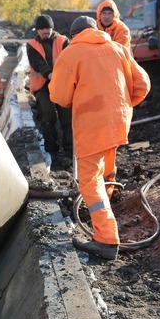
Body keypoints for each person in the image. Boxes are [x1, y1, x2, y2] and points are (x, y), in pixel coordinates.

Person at [49, 16, 151, 260]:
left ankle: (106, 239)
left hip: (92, 126)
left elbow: (59, 96)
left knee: (89, 180)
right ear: (96, 29)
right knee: (106, 168)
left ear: (74, 35)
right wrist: (124, 106)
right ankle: (110, 202)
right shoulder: (117, 48)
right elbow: (143, 84)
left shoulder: (71, 54)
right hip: (118, 123)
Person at [27, 14, 72, 164]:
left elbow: (70, 59)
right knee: (47, 116)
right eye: (42, 29)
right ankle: (51, 150)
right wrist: (50, 73)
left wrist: (58, 76)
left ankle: (70, 149)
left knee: (67, 117)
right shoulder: (32, 45)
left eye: (48, 28)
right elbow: (37, 63)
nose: (45, 31)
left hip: (62, 85)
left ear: (52, 28)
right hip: (42, 86)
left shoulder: (63, 41)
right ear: (38, 30)